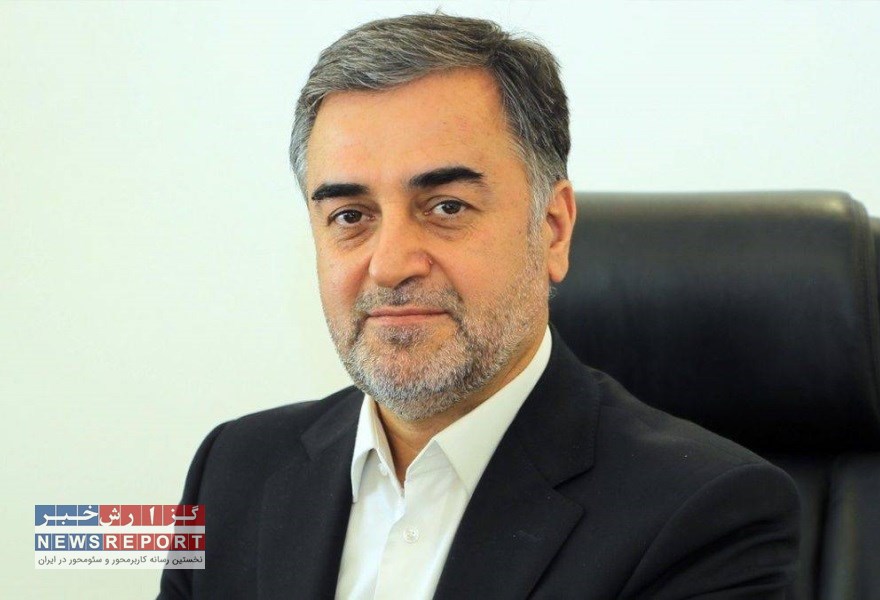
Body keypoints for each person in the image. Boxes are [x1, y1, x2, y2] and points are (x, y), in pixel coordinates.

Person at [159, 13, 800, 599]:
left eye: (446, 207)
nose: (390, 264)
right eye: (350, 216)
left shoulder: (705, 513)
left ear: (552, 228)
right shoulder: (231, 470)